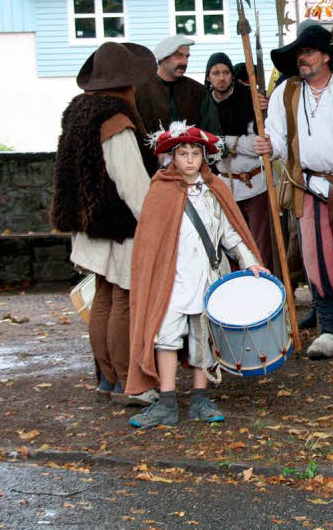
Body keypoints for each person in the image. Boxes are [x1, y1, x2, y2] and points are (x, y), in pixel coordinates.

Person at [252, 25, 333, 360]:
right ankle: (327, 331)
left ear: (326, 56)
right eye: (299, 55)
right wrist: (269, 144)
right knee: (317, 258)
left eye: (308, 52)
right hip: (308, 187)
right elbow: (280, 140)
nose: (302, 59)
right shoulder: (287, 92)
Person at [126, 124, 267, 428]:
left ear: (203, 157)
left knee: (203, 341)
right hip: (172, 280)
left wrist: (250, 261)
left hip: (207, 276)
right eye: (182, 153)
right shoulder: (160, 191)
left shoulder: (215, 189)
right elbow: (150, 243)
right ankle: (166, 402)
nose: (189, 159)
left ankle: (200, 399)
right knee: (165, 337)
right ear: (172, 158)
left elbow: (231, 233)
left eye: (194, 153)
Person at [51, 42, 158, 407]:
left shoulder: (79, 112)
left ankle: (108, 380)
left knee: (105, 298)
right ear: (126, 82)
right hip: (115, 223)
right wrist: (155, 221)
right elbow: (131, 183)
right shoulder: (115, 120)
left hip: (89, 221)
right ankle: (130, 382)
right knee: (123, 299)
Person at [206, 52, 274, 267]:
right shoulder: (205, 103)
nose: (221, 78)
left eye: (226, 72)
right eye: (216, 73)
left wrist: (225, 143)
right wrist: (231, 143)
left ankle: (266, 292)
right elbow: (207, 144)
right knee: (233, 245)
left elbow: (258, 145)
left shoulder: (250, 99)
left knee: (261, 245)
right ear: (208, 77)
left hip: (255, 183)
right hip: (226, 183)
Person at [134, 35, 222, 145]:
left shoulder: (198, 91)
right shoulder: (139, 92)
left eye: (187, 56)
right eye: (179, 56)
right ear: (163, 58)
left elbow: (213, 134)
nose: (185, 62)